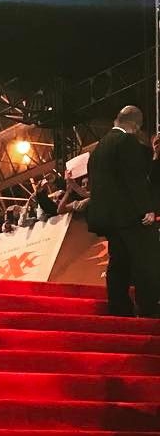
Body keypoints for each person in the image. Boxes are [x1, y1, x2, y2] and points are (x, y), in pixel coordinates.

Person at [86, 104, 158, 317]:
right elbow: (134, 178)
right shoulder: (126, 141)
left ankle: (119, 308)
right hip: (129, 216)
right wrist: (147, 208)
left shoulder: (99, 147)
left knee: (118, 263)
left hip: (108, 218)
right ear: (136, 125)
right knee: (145, 260)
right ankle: (148, 308)